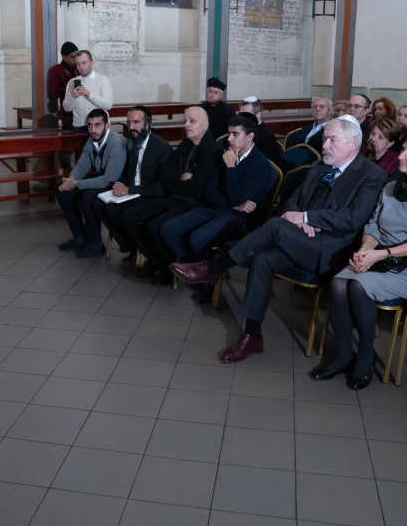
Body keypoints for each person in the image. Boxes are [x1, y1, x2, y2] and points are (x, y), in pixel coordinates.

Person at [168, 116, 385, 362]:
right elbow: (291, 199)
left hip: (332, 249)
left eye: (332, 140)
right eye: (325, 139)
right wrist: (300, 219)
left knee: (276, 226)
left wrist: (306, 217)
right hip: (302, 237)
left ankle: (214, 267)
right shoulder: (320, 166)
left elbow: (352, 218)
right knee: (262, 258)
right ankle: (252, 336)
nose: (325, 145)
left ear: (354, 143)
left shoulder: (371, 174)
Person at [313, 129, 407, 389]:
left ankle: (365, 355)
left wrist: (379, 254)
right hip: (381, 259)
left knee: (357, 285)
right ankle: (344, 356)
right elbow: (373, 227)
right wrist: (366, 250)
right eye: (402, 149)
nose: (401, 155)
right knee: (338, 284)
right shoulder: (391, 186)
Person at [159, 114, 275, 296]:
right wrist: (233, 203)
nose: (229, 139)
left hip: (239, 219)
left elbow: (236, 200)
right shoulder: (227, 154)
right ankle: (201, 273)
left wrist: (230, 168)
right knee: (168, 228)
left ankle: (207, 284)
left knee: (197, 238)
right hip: (217, 208)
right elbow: (210, 192)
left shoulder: (260, 165)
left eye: (235, 134)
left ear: (250, 136)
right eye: (229, 134)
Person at [121, 107, 219, 284]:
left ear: (205, 125)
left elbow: (196, 189)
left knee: (155, 225)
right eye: (185, 121)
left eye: (192, 121)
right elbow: (163, 174)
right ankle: (155, 259)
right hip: (173, 196)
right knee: (128, 215)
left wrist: (174, 183)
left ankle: (168, 269)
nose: (186, 125)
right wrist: (182, 176)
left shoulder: (212, 151)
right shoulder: (186, 144)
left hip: (193, 203)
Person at [94, 105, 173, 258]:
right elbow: (128, 173)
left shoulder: (162, 148)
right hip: (132, 190)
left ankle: (143, 251)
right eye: (129, 123)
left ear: (147, 124)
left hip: (149, 194)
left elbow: (160, 188)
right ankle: (130, 246)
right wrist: (119, 185)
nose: (132, 127)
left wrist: (128, 190)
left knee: (115, 211)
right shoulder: (133, 143)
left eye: (136, 122)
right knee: (98, 204)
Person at [57, 109, 126, 257]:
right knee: (62, 191)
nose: (93, 130)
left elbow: (109, 179)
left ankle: (95, 244)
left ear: (107, 126)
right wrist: (71, 181)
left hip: (119, 184)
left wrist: (77, 184)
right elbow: (82, 165)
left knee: (88, 197)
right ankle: (80, 237)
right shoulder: (91, 141)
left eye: (97, 125)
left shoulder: (116, 143)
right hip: (105, 180)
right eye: (90, 125)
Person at [63, 50, 114, 132]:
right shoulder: (72, 82)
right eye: (78, 64)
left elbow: (108, 105)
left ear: (92, 62)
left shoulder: (103, 80)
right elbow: (67, 108)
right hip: (79, 126)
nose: (81, 67)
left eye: (84, 63)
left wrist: (90, 95)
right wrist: (72, 97)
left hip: (99, 126)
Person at [239, 96, 284, 167]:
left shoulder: (267, 137)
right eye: (241, 114)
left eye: (247, 115)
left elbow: (268, 166)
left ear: (258, 114)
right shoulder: (243, 130)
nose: (242, 118)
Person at [47, 41, 78, 129]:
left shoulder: (78, 67)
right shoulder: (56, 70)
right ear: (64, 56)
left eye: (77, 56)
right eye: (72, 57)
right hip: (68, 113)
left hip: (82, 111)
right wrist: (68, 87)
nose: (75, 59)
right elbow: (52, 95)